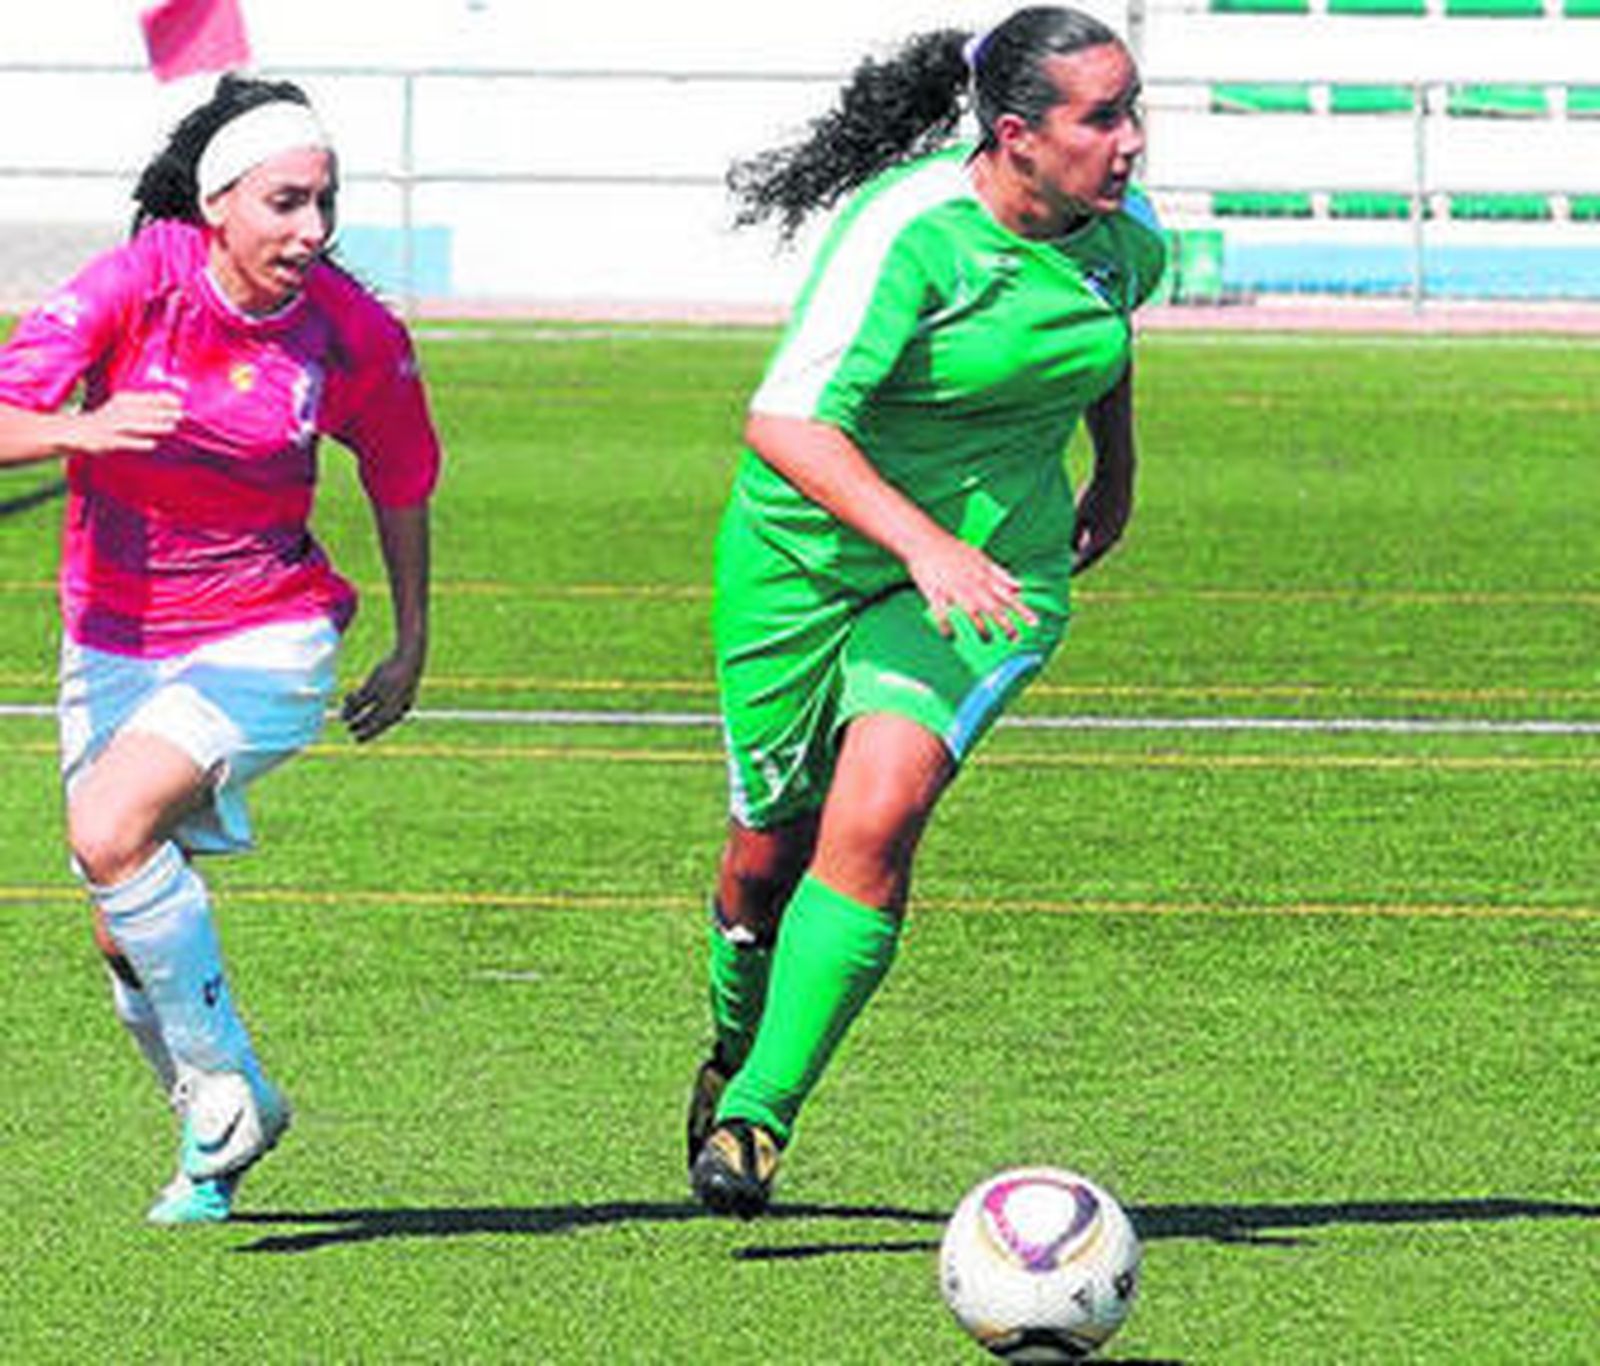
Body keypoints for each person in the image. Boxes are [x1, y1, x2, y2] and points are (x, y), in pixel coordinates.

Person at [686, 6, 1164, 1216]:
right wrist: (921, 541)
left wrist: (1114, 468)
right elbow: (786, 423)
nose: (1130, 141)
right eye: (1101, 117)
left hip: (991, 574)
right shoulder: (906, 232)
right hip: (802, 559)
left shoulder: (1126, 237)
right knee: (764, 855)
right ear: (1015, 135)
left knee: (880, 812)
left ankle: (758, 1116)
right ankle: (733, 1041)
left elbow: (1097, 338)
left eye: (1132, 110)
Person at [0, 75, 441, 1224]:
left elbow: (400, 473)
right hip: (113, 637)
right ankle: (226, 1117)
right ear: (217, 206)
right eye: (286, 203)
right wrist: (81, 427)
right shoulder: (134, 284)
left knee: (109, 826)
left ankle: (222, 1090)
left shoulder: (350, 331)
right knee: (120, 924)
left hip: (270, 632)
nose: (313, 229)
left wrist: (410, 638)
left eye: (324, 203)